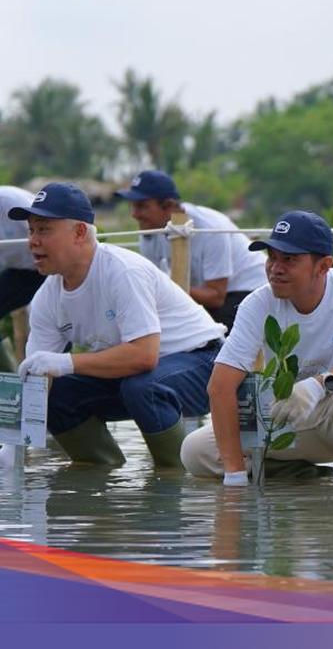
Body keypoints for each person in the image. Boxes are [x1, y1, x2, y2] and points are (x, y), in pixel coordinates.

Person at [181, 211, 333, 484]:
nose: (275, 268)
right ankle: (307, 477)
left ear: (323, 266)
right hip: (296, 412)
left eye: (289, 259)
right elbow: (220, 386)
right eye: (271, 257)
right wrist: (234, 477)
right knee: (196, 452)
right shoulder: (257, 304)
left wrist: (318, 385)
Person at [13, 182, 225, 467]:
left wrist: (65, 362)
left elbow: (143, 355)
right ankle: (98, 479)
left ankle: (176, 479)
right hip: (137, 377)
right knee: (57, 395)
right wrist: (12, 447)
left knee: (142, 388)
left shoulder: (123, 271)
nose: (32, 241)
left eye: (44, 229)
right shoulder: (46, 298)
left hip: (202, 363)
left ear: (78, 233)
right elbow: (37, 381)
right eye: (31, 230)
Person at [117, 170, 267, 331]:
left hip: (249, 288)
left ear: (168, 205)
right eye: (133, 206)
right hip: (210, 295)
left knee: (210, 332)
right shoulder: (150, 232)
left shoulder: (210, 228)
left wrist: (170, 285)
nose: (134, 214)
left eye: (142, 206)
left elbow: (216, 296)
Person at [0, 187, 45, 371]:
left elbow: (50, 232)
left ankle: (56, 382)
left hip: (52, 267)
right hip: (20, 271)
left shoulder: (11, 202)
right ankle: (9, 376)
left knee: (47, 318)